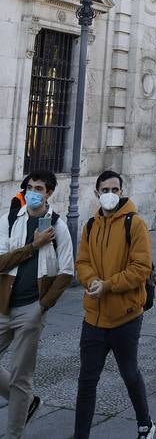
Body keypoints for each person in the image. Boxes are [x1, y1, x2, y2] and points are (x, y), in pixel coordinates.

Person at [75, 170, 155, 439]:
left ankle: (145, 423)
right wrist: (91, 281)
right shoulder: (90, 226)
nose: (110, 194)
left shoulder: (135, 224)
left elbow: (141, 268)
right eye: (105, 190)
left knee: (130, 374)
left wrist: (107, 285)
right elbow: (82, 263)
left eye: (115, 189)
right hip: (94, 317)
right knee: (87, 380)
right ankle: (80, 435)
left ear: (121, 192)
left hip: (125, 316)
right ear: (97, 193)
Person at [0, 170, 73, 438]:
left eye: (39, 188)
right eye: (30, 187)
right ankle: (28, 402)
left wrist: (42, 308)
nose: (33, 192)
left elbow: (67, 272)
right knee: (19, 386)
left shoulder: (58, 227)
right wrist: (33, 246)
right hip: (4, 306)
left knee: (21, 375)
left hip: (32, 308)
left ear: (49, 193)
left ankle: (13, 434)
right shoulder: (10, 220)